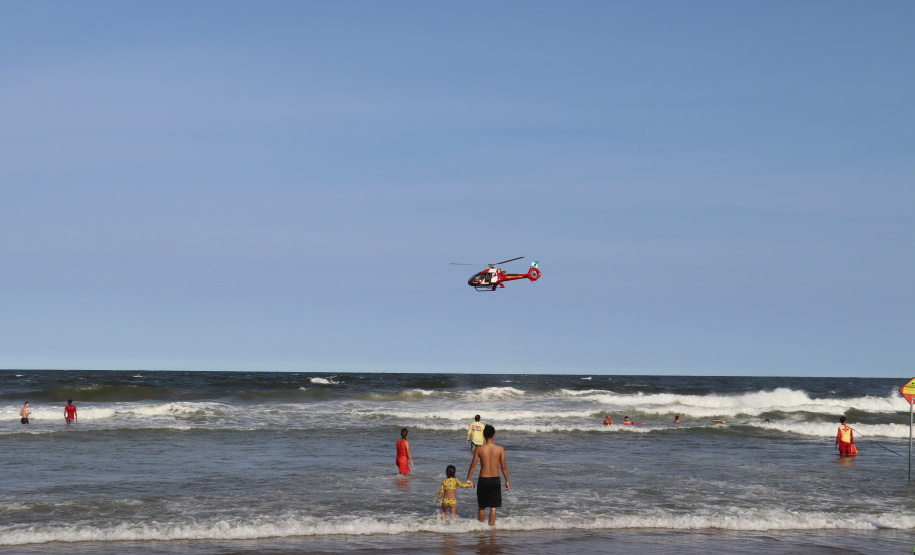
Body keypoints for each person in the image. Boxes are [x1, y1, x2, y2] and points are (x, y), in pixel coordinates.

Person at [465, 424, 509, 526]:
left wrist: (468, 478)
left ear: (483, 435)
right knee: (493, 507)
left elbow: (473, 465)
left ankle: (481, 529)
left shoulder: (479, 449)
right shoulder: (500, 449)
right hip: (495, 480)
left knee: (482, 506)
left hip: (483, 480)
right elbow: (503, 467)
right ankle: (491, 528)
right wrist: (507, 480)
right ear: (494, 435)